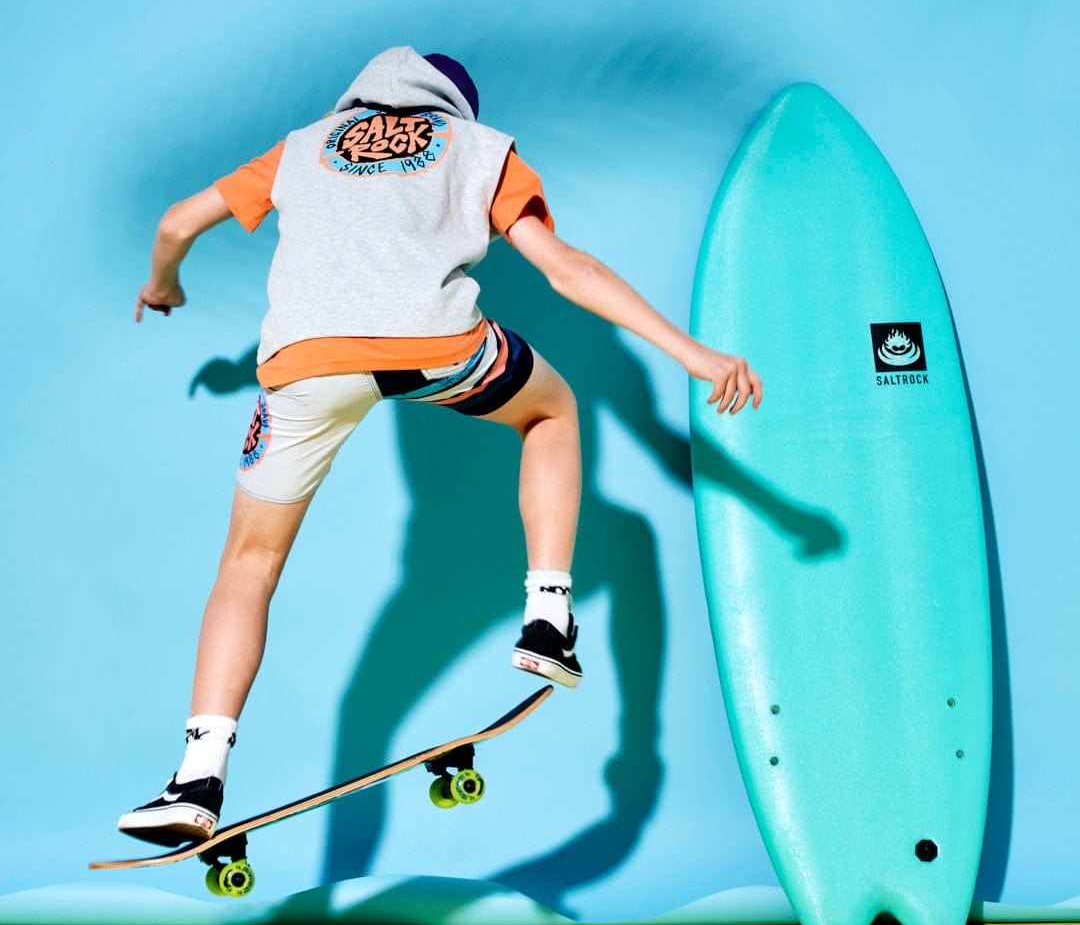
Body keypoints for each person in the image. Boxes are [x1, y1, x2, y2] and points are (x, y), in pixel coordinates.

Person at [118, 46, 762, 846]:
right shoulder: (479, 149)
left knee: (248, 566)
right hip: (437, 349)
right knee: (552, 414)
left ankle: (197, 778)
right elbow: (567, 269)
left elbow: (175, 224)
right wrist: (694, 354)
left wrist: (165, 285)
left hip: (304, 365)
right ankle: (547, 615)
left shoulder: (301, 148)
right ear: (455, 109)